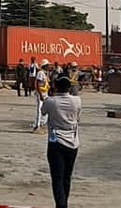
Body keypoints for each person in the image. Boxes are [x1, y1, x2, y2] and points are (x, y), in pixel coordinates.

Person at [43, 76, 82, 208]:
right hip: (73, 142)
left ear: (55, 86)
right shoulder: (77, 101)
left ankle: (61, 205)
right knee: (67, 177)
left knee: (57, 178)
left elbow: (43, 112)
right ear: (69, 88)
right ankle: (64, 202)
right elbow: (78, 117)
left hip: (56, 142)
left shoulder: (51, 101)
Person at [32, 59, 51, 132]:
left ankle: (43, 124)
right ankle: (37, 126)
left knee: (47, 109)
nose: (49, 66)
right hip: (41, 94)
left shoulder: (45, 73)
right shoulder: (40, 73)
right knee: (40, 110)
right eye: (48, 65)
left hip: (45, 93)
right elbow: (38, 84)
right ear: (45, 66)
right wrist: (40, 95)